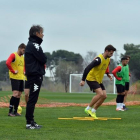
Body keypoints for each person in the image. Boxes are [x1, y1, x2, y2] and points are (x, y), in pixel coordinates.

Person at [80, 45, 116, 119]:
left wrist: (108, 74)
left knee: (104, 96)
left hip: (98, 80)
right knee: (100, 93)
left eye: (112, 53)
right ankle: (88, 108)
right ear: (106, 51)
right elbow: (87, 68)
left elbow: (105, 67)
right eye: (111, 53)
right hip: (91, 78)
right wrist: (83, 80)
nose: (111, 55)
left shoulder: (108, 59)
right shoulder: (98, 59)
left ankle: (93, 111)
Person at [25, 25, 47, 129]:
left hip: (32, 75)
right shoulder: (35, 45)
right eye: (41, 32)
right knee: (32, 99)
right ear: (37, 33)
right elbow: (43, 58)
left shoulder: (31, 44)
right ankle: (29, 123)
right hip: (35, 75)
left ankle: (31, 121)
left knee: (32, 99)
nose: (43, 34)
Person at [6, 43, 26, 116]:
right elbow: (8, 63)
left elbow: (24, 65)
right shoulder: (13, 55)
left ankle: (15, 111)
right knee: (15, 94)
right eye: (23, 50)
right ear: (20, 48)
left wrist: (24, 71)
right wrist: (13, 71)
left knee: (19, 95)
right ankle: (10, 111)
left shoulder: (22, 57)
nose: (24, 52)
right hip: (14, 77)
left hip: (21, 78)